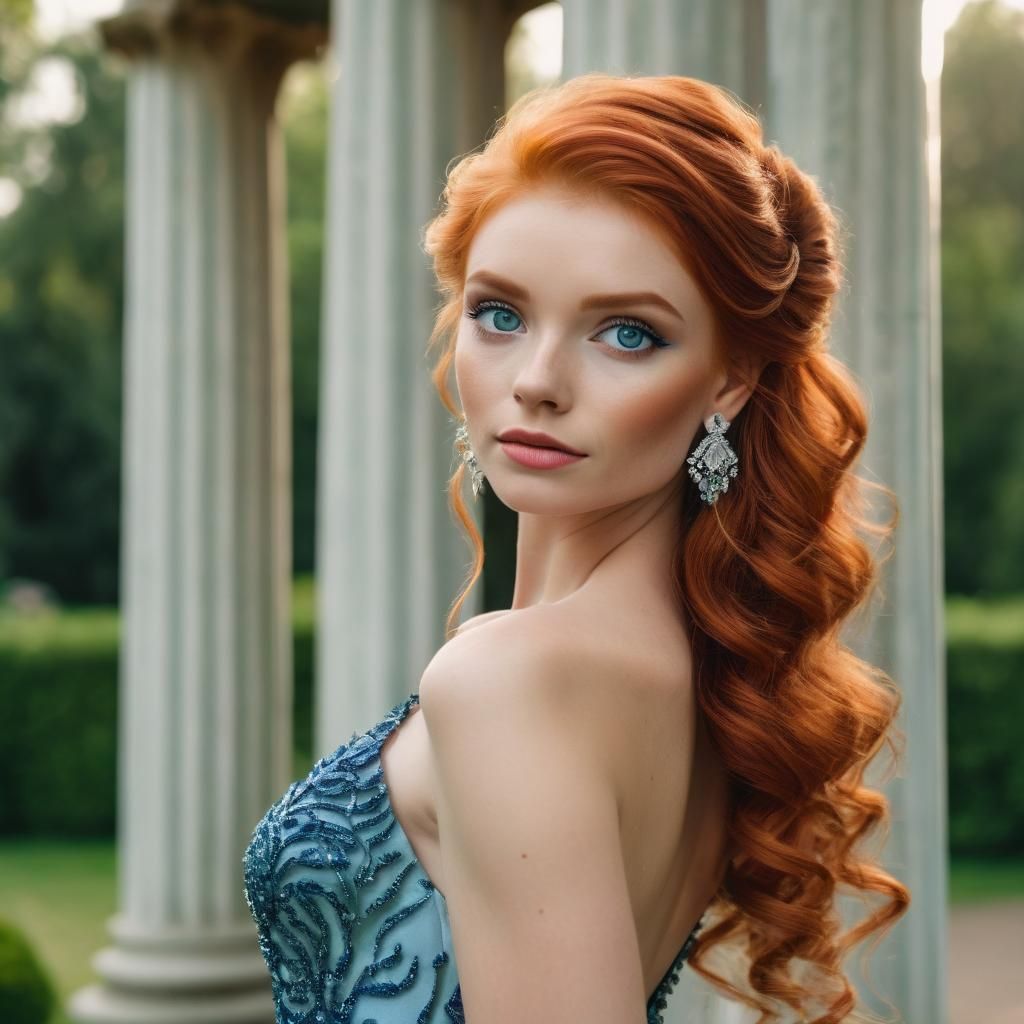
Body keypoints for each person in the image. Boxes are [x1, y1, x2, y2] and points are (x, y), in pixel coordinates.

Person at [243, 72, 910, 1024]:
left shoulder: (512, 680)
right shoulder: (691, 673)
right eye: (500, 313)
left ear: (728, 383)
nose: (539, 381)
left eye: (627, 333)